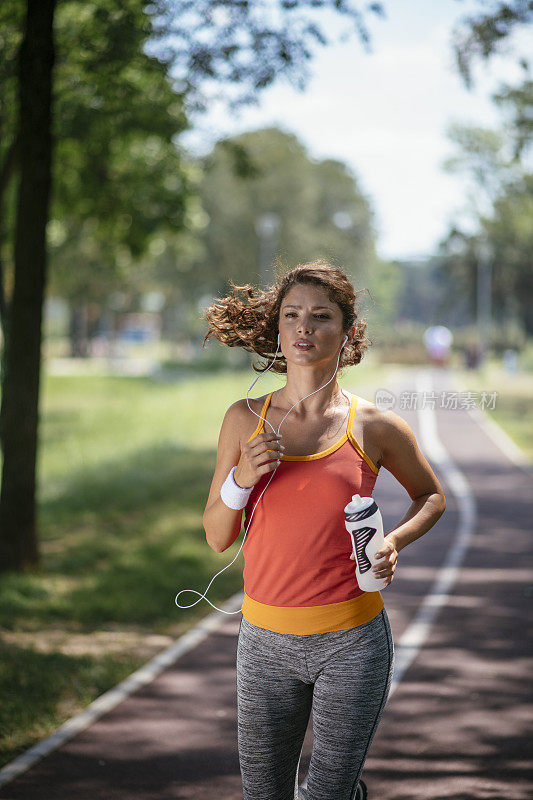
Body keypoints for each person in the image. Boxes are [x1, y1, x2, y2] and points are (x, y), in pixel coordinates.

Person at [202, 260, 446, 800]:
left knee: (325, 796)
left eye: (320, 316)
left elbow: (431, 496)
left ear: (349, 331)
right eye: (291, 316)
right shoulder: (245, 419)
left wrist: (393, 540)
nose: (304, 328)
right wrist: (241, 479)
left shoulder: (375, 426)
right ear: (278, 329)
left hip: (352, 643)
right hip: (264, 642)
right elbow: (217, 536)